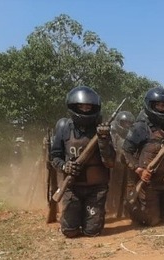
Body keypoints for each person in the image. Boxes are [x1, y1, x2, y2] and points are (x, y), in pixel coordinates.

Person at [50, 86, 116, 237]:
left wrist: (104, 141)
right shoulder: (64, 128)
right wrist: (65, 166)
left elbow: (110, 162)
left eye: (89, 107)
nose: (85, 110)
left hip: (96, 189)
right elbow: (55, 156)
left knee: (92, 232)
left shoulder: (102, 129)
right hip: (72, 187)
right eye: (81, 107)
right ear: (74, 107)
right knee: (70, 232)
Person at [121, 87, 164, 227]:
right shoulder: (139, 128)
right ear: (150, 106)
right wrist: (139, 170)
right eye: (158, 105)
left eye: (163, 105)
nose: (161, 108)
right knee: (151, 221)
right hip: (149, 183)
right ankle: (133, 208)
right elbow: (125, 152)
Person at [106, 110, 135, 218]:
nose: (126, 125)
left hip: (127, 166)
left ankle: (124, 209)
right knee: (111, 187)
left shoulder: (132, 135)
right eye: (124, 123)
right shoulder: (112, 133)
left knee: (128, 188)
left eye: (129, 123)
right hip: (114, 166)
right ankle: (109, 207)